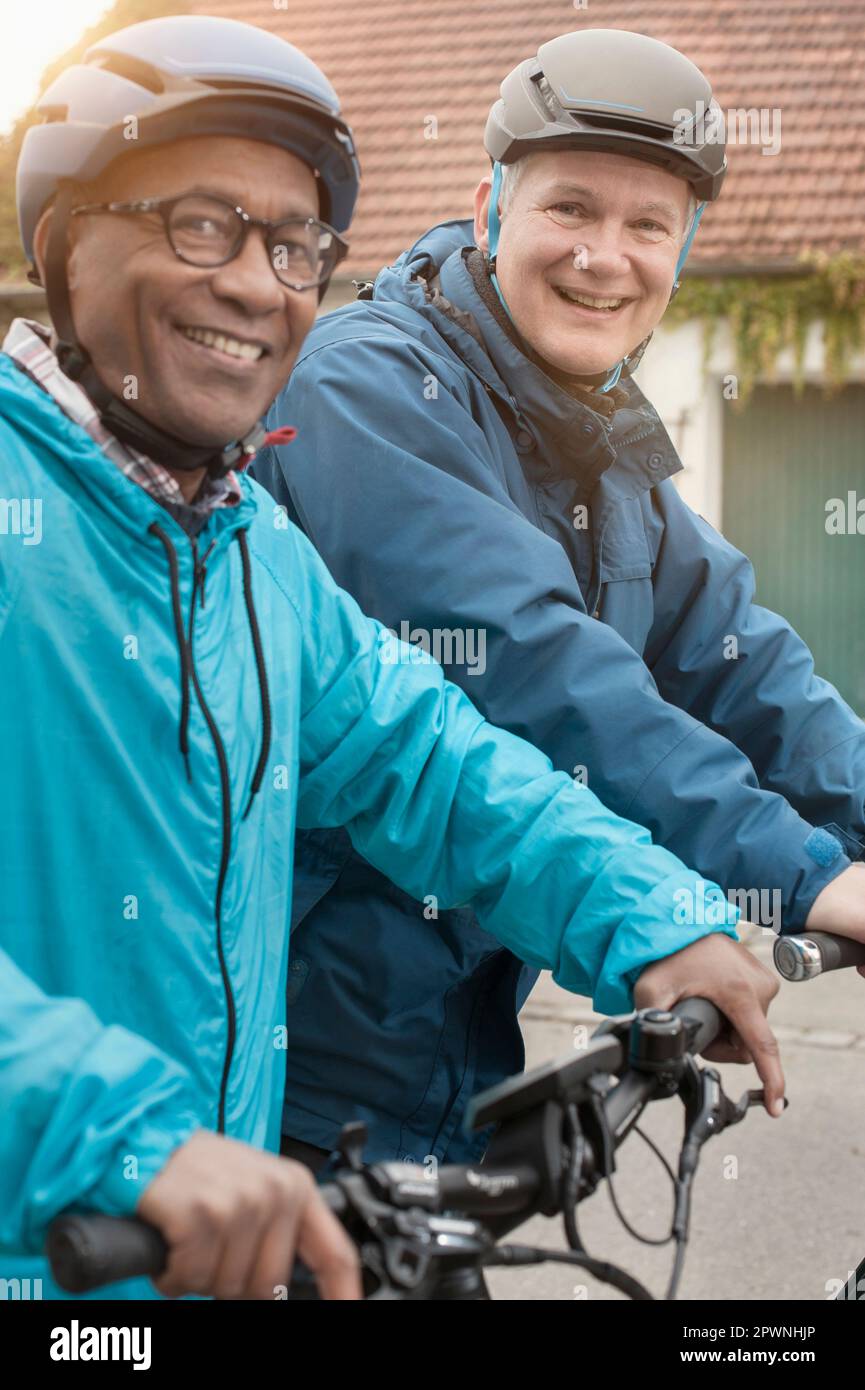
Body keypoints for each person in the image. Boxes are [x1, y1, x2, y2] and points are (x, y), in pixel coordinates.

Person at [0, 15, 780, 1303]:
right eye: (201, 224)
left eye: (296, 244)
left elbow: (440, 765)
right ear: (67, 237)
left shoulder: (250, 555)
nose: (258, 283)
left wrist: (659, 919)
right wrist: (118, 1135)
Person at [253, 27, 865, 1173]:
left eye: (648, 226)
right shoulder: (367, 388)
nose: (605, 257)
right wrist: (811, 874)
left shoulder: (595, 436)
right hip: (291, 1073)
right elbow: (540, 674)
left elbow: (747, 670)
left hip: (448, 1057)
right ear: (489, 215)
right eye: (570, 209)